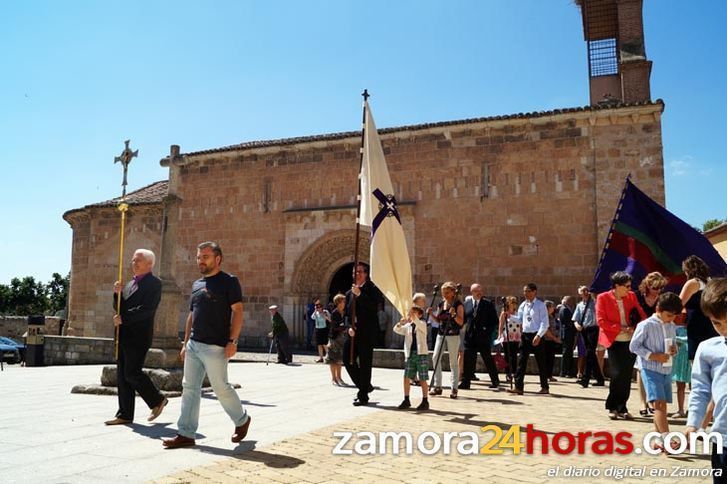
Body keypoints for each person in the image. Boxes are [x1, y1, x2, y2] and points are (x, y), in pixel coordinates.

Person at [162, 242, 250, 449]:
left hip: (216, 346)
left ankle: (242, 420)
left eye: (205, 257)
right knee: (189, 388)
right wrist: (185, 343)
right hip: (194, 344)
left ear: (217, 259)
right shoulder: (196, 285)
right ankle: (186, 433)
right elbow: (192, 315)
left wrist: (233, 341)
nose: (200, 260)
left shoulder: (229, 282)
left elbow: (237, 311)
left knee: (220, 387)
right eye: (199, 257)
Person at [105, 249, 168, 426]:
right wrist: (117, 294)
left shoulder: (154, 283)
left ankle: (157, 400)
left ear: (149, 263)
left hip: (139, 336)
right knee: (123, 376)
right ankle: (125, 414)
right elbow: (120, 308)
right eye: (133, 260)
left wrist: (124, 318)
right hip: (123, 334)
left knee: (132, 373)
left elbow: (147, 310)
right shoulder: (130, 284)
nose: (134, 263)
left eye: (137, 260)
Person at [629, 292, 682, 452]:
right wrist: (653, 355)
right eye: (668, 315)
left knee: (662, 406)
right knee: (658, 403)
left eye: (674, 316)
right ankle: (667, 439)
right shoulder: (646, 325)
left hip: (666, 369)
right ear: (658, 309)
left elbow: (673, 346)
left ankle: (658, 439)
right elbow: (634, 346)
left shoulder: (672, 326)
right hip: (650, 368)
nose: (671, 319)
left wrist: (674, 349)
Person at [686, 278, 727, 482]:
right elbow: (700, 390)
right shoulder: (708, 349)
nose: (724, 328)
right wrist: (693, 425)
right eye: (717, 323)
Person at [596, 271, 646, 420]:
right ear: (617, 286)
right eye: (627, 286)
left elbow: (641, 314)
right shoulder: (603, 297)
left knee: (626, 375)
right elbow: (601, 321)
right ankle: (612, 406)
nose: (630, 289)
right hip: (614, 340)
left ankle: (622, 407)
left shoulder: (631, 296)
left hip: (630, 340)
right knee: (617, 374)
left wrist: (636, 326)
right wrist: (620, 328)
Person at [344, 263, 380, 406]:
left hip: (367, 332)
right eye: (354, 272)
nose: (356, 274)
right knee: (347, 360)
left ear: (366, 274)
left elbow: (373, 308)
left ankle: (363, 395)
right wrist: (348, 327)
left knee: (365, 364)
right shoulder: (349, 293)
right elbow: (347, 314)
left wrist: (360, 295)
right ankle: (365, 386)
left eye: (359, 272)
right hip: (353, 333)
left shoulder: (372, 289)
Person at [634, 271, 668, 417]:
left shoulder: (661, 299)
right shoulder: (636, 296)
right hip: (640, 334)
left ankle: (651, 400)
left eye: (660, 288)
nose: (658, 291)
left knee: (652, 369)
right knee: (641, 367)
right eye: (655, 288)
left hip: (656, 335)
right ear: (647, 285)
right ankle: (643, 402)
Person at [508, 283, 550, 395]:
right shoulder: (523, 305)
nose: (525, 293)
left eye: (527, 291)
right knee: (521, 361)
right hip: (525, 335)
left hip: (536, 335)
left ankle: (544, 386)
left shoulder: (541, 305)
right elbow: (520, 319)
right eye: (524, 291)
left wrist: (539, 335)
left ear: (534, 291)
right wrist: (509, 316)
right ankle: (519, 386)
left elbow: (545, 323)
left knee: (541, 362)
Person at [460, 283, 500, 390]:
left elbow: (494, 321)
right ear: (471, 292)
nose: (479, 293)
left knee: (487, 359)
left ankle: (495, 380)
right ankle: (466, 382)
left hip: (483, 337)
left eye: (480, 291)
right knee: (468, 359)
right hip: (470, 337)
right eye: (476, 291)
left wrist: (487, 331)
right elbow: (464, 319)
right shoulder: (466, 303)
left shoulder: (488, 304)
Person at [429, 281, 465, 399]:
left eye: (447, 292)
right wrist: (431, 315)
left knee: (453, 362)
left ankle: (454, 388)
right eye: (443, 292)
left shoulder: (458, 305)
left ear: (453, 293)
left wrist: (454, 315)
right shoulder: (441, 304)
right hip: (441, 333)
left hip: (453, 335)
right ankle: (438, 386)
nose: (445, 295)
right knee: (435, 357)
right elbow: (439, 320)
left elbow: (461, 322)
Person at [394, 305, 430, 411]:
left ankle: (425, 400)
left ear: (420, 314)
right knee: (406, 377)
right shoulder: (408, 326)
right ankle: (406, 399)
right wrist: (401, 323)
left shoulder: (422, 324)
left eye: (414, 313)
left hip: (421, 354)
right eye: (411, 313)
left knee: (423, 378)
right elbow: (396, 330)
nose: (411, 315)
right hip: (410, 354)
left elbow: (419, 323)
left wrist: (414, 318)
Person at [573, 285, 604, 387]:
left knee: (590, 352)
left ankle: (585, 378)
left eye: (587, 290)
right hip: (584, 330)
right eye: (583, 291)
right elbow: (575, 319)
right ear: (580, 293)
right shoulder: (579, 305)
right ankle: (600, 379)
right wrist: (577, 325)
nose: (585, 292)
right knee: (591, 354)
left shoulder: (595, 303)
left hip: (594, 329)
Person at [498, 296, 521, 383]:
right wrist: (500, 335)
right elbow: (501, 324)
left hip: (516, 336)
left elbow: (520, 324)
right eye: (512, 302)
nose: (514, 304)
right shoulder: (504, 313)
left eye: (515, 303)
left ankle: (514, 372)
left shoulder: (517, 313)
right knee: (507, 356)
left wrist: (521, 334)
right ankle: (508, 373)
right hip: (507, 336)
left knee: (514, 355)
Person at [326, 293, 347, 385]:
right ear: (338, 302)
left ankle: (339, 377)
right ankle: (333, 378)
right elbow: (334, 327)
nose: (345, 303)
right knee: (333, 359)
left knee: (339, 359)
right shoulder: (335, 313)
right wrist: (344, 328)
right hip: (334, 338)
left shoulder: (344, 312)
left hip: (341, 337)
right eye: (343, 301)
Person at [558, 295, 577, 378]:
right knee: (566, 352)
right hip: (567, 334)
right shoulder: (564, 309)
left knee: (568, 352)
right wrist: (576, 327)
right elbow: (567, 323)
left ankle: (568, 371)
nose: (572, 302)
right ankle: (564, 371)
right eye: (570, 300)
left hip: (568, 333)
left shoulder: (566, 309)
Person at [543, 300, 561, 382]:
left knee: (550, 358)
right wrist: (554, 338)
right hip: (547, 340)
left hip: (551, 340)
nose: (553, 308)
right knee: (547, 358)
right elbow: (546, 329)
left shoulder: (551, 316)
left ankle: (549, 375)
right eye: (552, 306)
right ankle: (546, 375)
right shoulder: (545, 317)